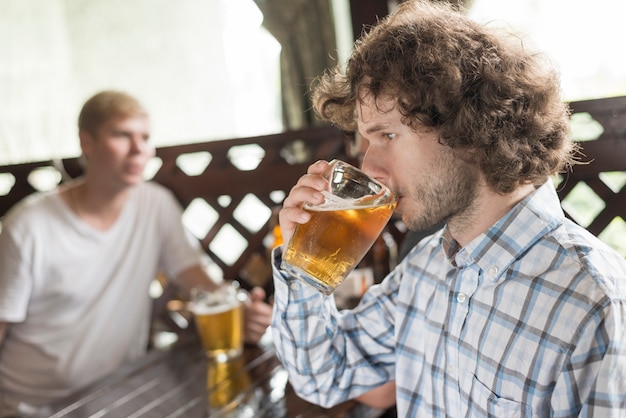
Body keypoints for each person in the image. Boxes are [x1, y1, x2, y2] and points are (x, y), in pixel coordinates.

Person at [270, 1, 626, 416]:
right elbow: (324, 376)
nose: (369, 168)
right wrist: (304, 263)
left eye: (386, 135)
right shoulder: (426, 268)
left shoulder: (593, 301)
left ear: (470, 129)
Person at [0, 90, 272, 416]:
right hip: (33, 407)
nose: (139, 149)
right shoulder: (28, 227)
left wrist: (240, 310)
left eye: (145, 137)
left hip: (117, 395)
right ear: (87, 143)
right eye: (122, 135)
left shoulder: (155, 204)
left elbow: (196, 278)